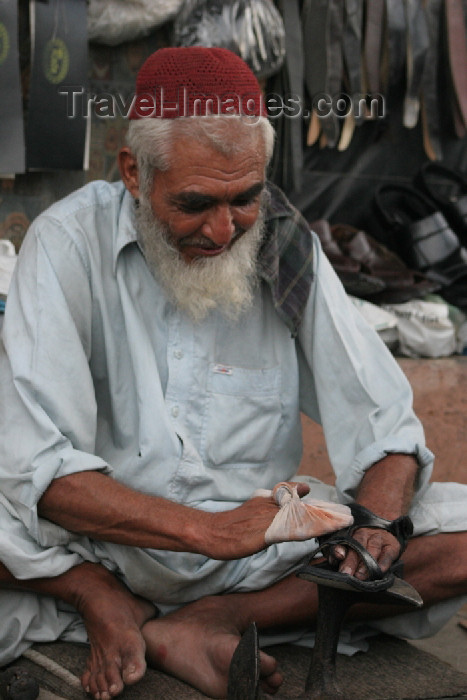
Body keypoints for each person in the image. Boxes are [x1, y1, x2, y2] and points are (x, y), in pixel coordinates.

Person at [0, 46, 466, 700]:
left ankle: (206, 623)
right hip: (96, 547)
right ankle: (97, 597)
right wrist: (208, 531)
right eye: (195, 203)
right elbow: (37, 473)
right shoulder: (66, 245)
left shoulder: (279, 240)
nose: (223, 230)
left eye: (243, 198)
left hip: (261, 562)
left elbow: (384, 429)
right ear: (135, 173)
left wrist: (376, 529)